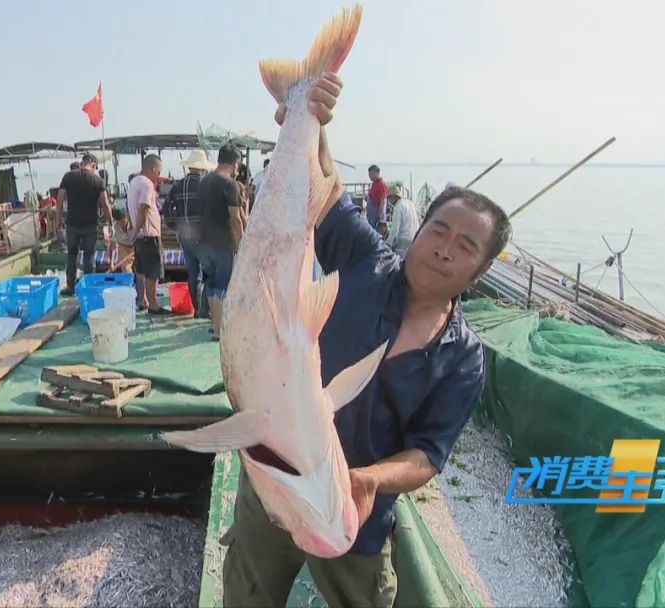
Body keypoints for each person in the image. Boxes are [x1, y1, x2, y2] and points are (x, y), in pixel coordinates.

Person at [221, 73, 512, 608]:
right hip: (274, 487)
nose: (445, 249)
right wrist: (312, 117)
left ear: (483, 269)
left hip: (351, 515)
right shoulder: (365, 261)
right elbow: (326, 188)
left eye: (466, 245)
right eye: (439, 230)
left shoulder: (464, 358)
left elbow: (428, 452)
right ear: (419, 229)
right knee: (247, 594)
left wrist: (368, 481)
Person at [197, 143, 244, 338]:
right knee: (222, 286)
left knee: (210, 284)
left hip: (205, 241)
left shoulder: (204, 181)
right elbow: (236, 218)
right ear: (235, 163)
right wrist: (242, 244)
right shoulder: (230, 184)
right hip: (223, 242)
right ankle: (219, 330)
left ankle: (212, 323)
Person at [163, 149, 214, 318]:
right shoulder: (207, 185)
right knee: (209, 274)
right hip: (204, 237)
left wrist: (175, 225)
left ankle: (197, 308)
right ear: (202, 167)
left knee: (193, 274)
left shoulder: (177, 185)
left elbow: (166, 208)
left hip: (185, 237)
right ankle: (204, 310)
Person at [57, 153, 112, 296]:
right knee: (89, 256)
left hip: (72, 224)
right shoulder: (97, 180)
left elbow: (59, 200)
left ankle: (70, 286)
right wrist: (110, 222)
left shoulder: (68, 176)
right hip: (90, 225)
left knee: (72, 255)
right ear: (93, 165)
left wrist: (58, 220)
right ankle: (89, 287)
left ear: (82, 163)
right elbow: (105, 204)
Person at [127, 155, 168, 314]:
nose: (158, 175)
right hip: (149, 235)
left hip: (140, 237)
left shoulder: (134, 182)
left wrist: (133, 230)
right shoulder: (147, 184)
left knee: (141, 271)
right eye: (159, 171)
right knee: (152, 272)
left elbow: (131, 209)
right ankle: (153, 305)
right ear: (153, 168)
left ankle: (143, 300)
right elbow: (144, 207)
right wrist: (137, 230)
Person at [385, 184, 420, 258]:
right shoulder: (410, 203)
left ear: (393, 197)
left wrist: (388, 244)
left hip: (404, 239)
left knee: (400, 265)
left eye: (388, 198)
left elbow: (395, 228)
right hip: (415, 238)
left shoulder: (398, 207)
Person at [109, 208, 135, 273]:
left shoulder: (133, 223)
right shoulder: (113, 228)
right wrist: (111, 263)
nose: (124, 223)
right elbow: (113, 247)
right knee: (126, 269)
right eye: (121, 222)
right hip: (123, 247)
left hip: (136, 246)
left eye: (125, 221)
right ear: (117, 221)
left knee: (140, 269)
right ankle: (129, 282)